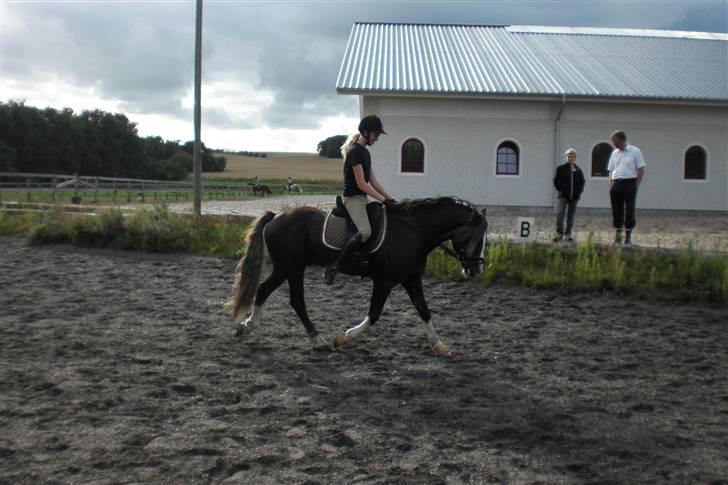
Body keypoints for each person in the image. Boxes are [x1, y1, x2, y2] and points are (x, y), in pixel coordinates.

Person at [323, 115, 396, 285]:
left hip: (362, 198)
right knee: (366, 232)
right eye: (376, 134)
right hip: (353, 199)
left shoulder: (365, 153)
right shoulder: (354, 152)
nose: (377, 138)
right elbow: (362, 184)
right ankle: (335, 266)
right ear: (366, 132)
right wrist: (383, 201)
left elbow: (373, 181)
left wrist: (389, 198)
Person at [607, 130, 645, 245]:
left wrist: (636, 184)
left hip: (630, 183)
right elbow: (611, 170)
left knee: (629, 210)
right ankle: (618, 235)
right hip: (616, 183)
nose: (613, 143)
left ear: (622, 140)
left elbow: (641, 169)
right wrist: (610, 185)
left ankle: (628, 236)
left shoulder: (635, 151)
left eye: (615, 141)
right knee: (616, 210)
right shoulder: (614, 153)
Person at [553, 148, 585, 242]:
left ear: (575, 158)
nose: (570, 158)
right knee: (560, 214)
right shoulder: (560, 168)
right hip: (563, 196)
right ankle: (559, 234)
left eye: (572, 156)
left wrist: (578, 192)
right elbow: (555, 181)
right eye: (569, 156)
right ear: (566, 157)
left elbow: (582, 182)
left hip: (574, 197)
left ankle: (568, 234)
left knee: (571, 216)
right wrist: (561, 189)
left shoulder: (578, 170)